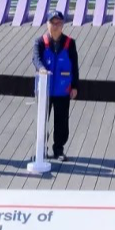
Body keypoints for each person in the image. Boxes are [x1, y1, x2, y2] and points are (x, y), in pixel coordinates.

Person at [32, 10, 80, 162]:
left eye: (58, 23)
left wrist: (75, 86)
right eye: (52, 22)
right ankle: (41, 149)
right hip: (44, 89)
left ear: (63, 25)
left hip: (62, 89)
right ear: (47, 24)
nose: (55, 26)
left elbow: (74, 66)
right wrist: (41, 69)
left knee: (62, 122)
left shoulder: (70, 43)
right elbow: (36, 59)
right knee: (42, 120)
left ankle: (58, 149)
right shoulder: (39, 42)